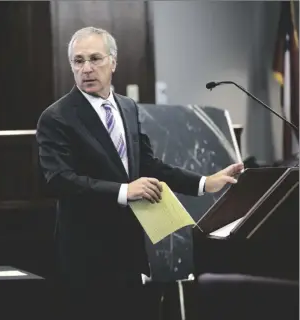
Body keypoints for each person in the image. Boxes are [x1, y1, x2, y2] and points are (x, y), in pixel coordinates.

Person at [35, 27, 244, 317]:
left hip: (130, 252)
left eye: (95, 58)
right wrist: (124, 191)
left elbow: (148, 165)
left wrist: (205, 182)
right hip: (84, 256)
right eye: (78, 61)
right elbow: (57, 180)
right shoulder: (56, 117)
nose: (86, 69)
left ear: (113, 62)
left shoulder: (127, 107)